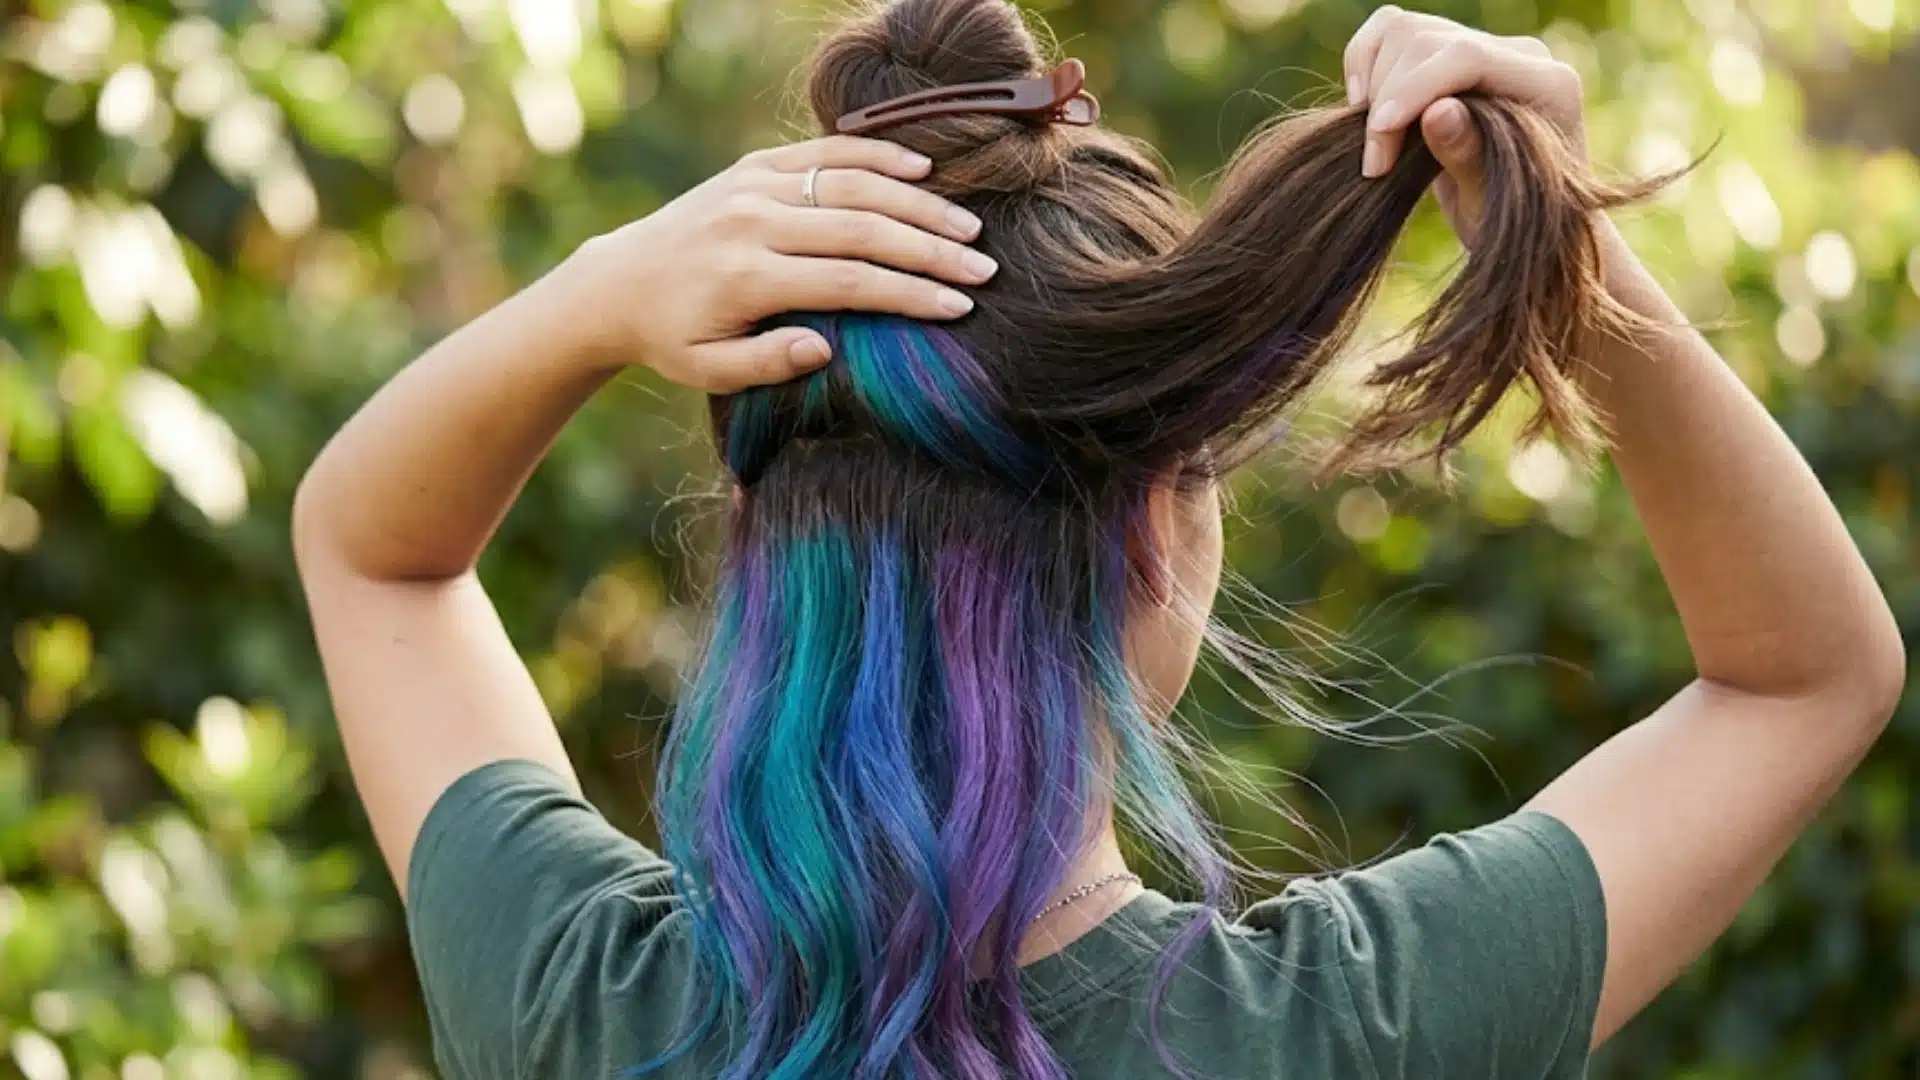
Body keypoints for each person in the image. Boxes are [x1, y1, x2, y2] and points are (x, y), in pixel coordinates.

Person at [291, 2, 1904, 1078]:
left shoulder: (581, 996)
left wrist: (601, 292)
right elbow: (1804, 675)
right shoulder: (1341, 1032)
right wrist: (1548, 239)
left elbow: (374, 548)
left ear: (759, 535)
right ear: (1159, 524)